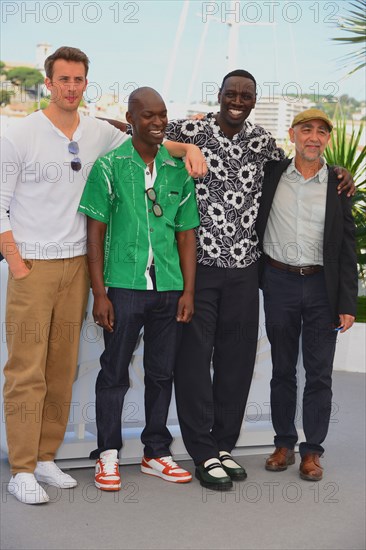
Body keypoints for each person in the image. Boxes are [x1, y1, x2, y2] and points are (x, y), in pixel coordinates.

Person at [0, 46, 205, 505]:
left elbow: (149, 141)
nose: (71, 87)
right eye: (63, 80)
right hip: (32, 264)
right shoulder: (20, 135)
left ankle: (47, 455)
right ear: (48, 82)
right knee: (25, 369)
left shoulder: (97, 133)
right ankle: (22, 467)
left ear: (85, 84)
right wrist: (16, 262)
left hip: (77, 266)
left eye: (79, 80)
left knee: (62, 367)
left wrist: (189, 146)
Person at [164, 70, 355, 490]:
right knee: (196, 361)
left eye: (246, 95)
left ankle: (225, 444)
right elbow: (146, 133)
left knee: (237, 362)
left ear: (254, 100)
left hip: (247, 272)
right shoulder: (190, 129)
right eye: (231, 93)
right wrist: (185, 147)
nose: (238, 99)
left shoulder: (263, 145)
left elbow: (311, 168)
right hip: (200, 267)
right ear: (218, 96)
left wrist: (340, 171)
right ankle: (202, 450)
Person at [78, 87, 200, 490]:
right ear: (130, 118)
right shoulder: (109, 166)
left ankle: (156, 453)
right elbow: (94, 235)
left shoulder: (177, 170)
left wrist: (188, 292)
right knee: (113, 372)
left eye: (162, 114)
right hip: (124, 288)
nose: (158, 122)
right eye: (148, 115)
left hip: (168, 288)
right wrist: (100, 293)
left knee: (161, 373)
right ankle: (108, 455)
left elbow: (186, 235)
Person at [256, 108, 358, 481]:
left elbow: (347, 246)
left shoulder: (339, 184)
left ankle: (312, 452)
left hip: (321, 288)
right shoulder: (270, 174)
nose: (313, 137)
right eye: (306, 130)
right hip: (279, 281)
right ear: (293, 134)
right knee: (282, 370)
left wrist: (347, 301)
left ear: (327, 139)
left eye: (321, 132)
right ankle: (283, 443)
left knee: (319, 374)